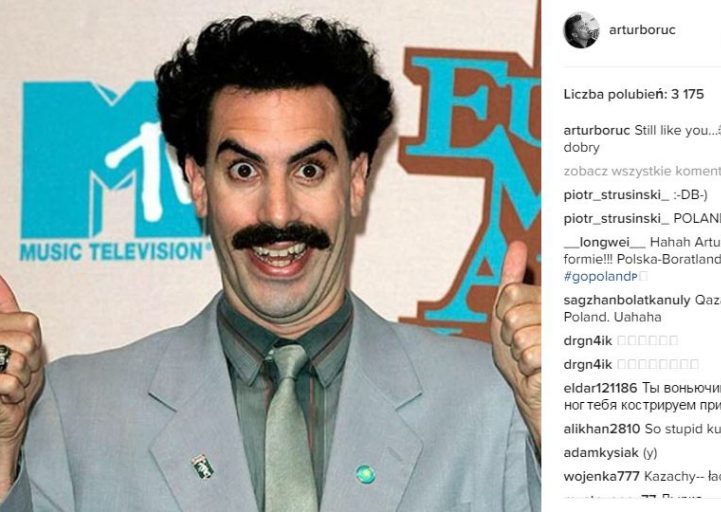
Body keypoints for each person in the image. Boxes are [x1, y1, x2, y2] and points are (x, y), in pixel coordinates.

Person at [0, 15, 541, 511]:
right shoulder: (77, 410)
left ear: (356, 180)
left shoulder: (492, 401)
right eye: (244, 171)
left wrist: (563, 422)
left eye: (309, 171)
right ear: (198, 182)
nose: (278, 212)